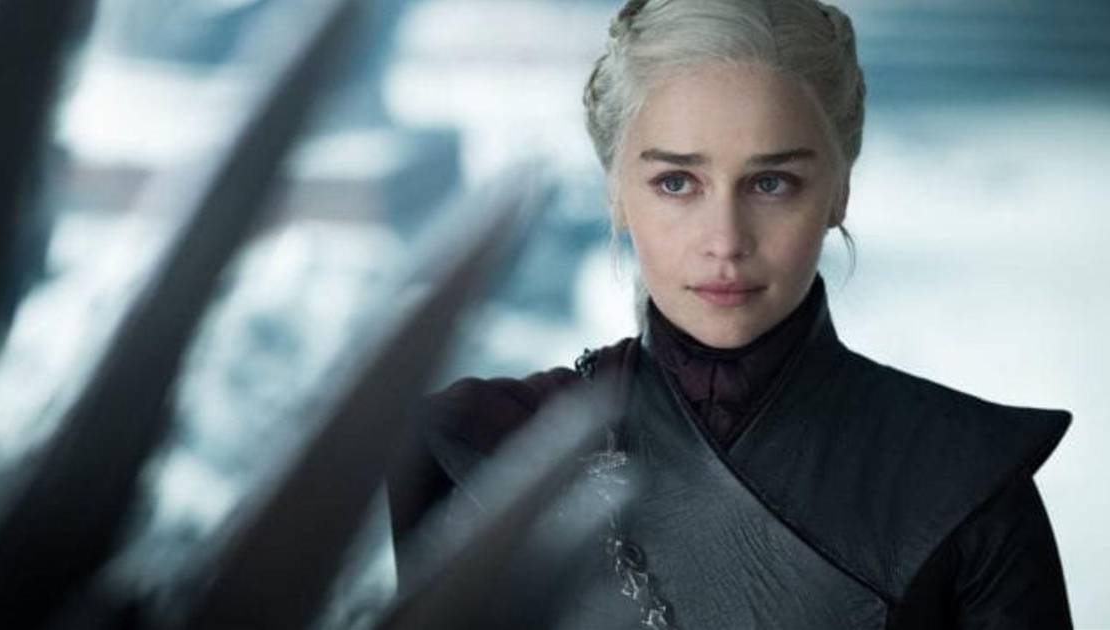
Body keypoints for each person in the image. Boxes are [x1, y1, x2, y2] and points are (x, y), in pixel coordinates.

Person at [388, 0, 1073, 628]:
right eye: (675, 182)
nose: (725, 240)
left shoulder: (968, 482)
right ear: (616, 193)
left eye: (771, 183)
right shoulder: (483, 447)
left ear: (838, 192)